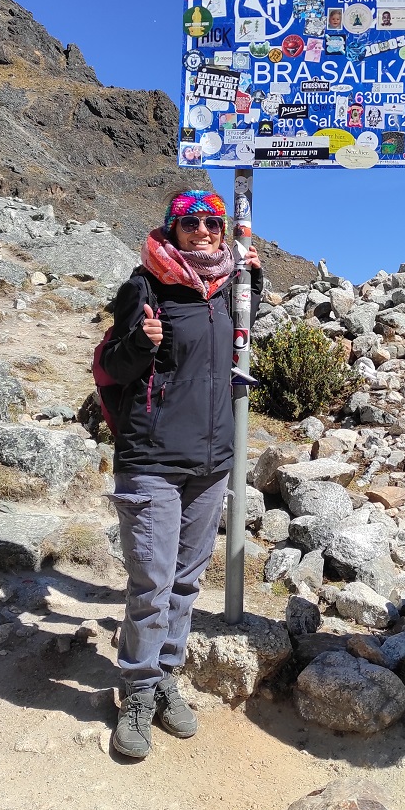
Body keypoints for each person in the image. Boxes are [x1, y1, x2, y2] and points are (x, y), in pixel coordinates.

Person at [99, 189, 263, 760]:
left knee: (187, 583)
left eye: (212, 224)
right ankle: (138, 691)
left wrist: (253, 282)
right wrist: (140, 346)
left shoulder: (230, 289)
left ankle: (166, 676)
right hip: (152, 458)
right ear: (172, 229)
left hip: (211, 461)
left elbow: (236, 346)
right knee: (152, 584)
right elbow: (111, 365)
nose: (202, 233)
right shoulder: (145, 286)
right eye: (189, 224)